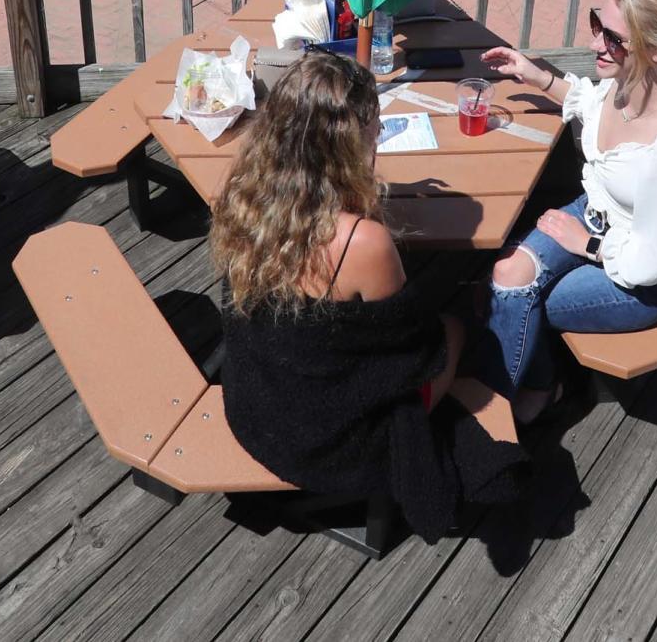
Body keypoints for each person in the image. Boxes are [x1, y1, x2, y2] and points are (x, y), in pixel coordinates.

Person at [212, 50, 527, 543]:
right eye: (374, 127)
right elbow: (409, 352)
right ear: (348, 144)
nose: (379, 136)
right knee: (460, 324)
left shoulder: (241, 194)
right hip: (332, 438)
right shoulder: (362, 242)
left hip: (258, 401)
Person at [473, 0, 657, 423]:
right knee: (509, 275)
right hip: (594, 218)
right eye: (596, 25)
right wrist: (533, 74)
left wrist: (586, 245)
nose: (595, 44)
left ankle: (499, 408)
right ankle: (539, 385)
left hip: (639, 279)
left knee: (534, 300)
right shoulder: (624, 83)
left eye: (613, 38)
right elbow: (588, 101)